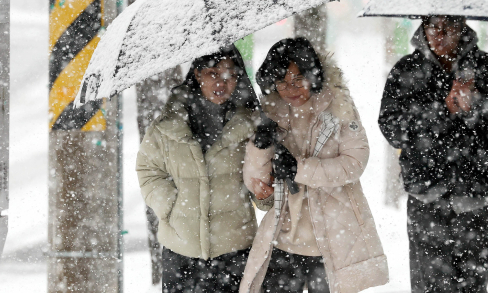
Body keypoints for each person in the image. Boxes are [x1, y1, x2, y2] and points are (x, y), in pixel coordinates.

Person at [378, 16, 488, 293]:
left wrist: (476, 107)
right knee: (430, 284)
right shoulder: (407, 70)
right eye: (434, 26)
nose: (441, 34)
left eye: (450, 27)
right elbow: (392, 128)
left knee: (476, 281)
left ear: (463, 27)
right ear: (423, 26)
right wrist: (442, 112)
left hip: (477, 196)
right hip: (427, 197)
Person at [239, 37, 389, 293]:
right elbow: (255, 181)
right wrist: (260, 145)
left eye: (298, 79)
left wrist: (300, 169)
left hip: (331, 240)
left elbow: (355, 162)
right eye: (282, 82)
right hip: (282, 239)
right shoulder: (271, 112)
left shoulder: (338, 106)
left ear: (313, 74)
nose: (290, 89)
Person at [136, 45, 269, 293]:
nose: (221, 82)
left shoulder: (250, 124)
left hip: (235, 252)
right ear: (197, 74)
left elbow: (261, 180)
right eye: (212, 73)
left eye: (229, 74)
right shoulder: (168, 124)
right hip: (181, 252)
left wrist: (265, 195)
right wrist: (171, 205)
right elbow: (148, 170)